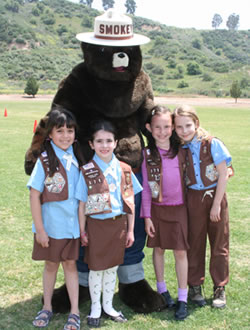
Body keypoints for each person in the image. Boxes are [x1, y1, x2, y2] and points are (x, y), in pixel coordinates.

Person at [75, 119, 142, 327]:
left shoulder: (125, 170)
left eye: (109, 141)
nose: (104, 145)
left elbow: (130, 202)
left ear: (116, 143)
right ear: (91, 144)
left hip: (118, 226)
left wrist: (130, 230)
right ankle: (95, 307)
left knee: (112, 268)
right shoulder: (87, 170)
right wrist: (82, 231)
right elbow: (81, 204)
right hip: (96, 227)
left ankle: (108, 306)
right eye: (99, 141)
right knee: (96, 268)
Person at [27, 107, 84, 329]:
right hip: (51, 227)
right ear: (49, 134)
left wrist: (82, 228)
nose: (65, 135)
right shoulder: (44, 160)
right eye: (59, 130)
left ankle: (75, 311)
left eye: (70, 130)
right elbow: (34, 194)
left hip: (72, 228)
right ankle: (47, 307)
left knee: (71, 265)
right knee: (51, 265)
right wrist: (40, 230)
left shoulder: (78, 157)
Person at [173, 105, 232, 309]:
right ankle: (195, 285)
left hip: (214, 195)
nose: (184, 130)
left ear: (196, 124)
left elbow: (223, 174)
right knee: (194, 242)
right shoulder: (181, 149)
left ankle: (219, 286)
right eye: (179, 127)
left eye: (188, 125)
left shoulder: (212, 143)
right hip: (193, 198)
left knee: (219, 243)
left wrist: (216, 204)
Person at [140, 105, 189, 321]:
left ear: (173, 128)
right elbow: (146, 190)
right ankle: (162, 290)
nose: (162, 131)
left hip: (178, 209)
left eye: (167, 126)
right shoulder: (147, 154)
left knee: (180, 252)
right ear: (149, 128)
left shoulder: (181, 151)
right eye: (157, 127)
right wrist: (147, 216)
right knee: (158, 249)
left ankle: (183, 297)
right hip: (157, 210)